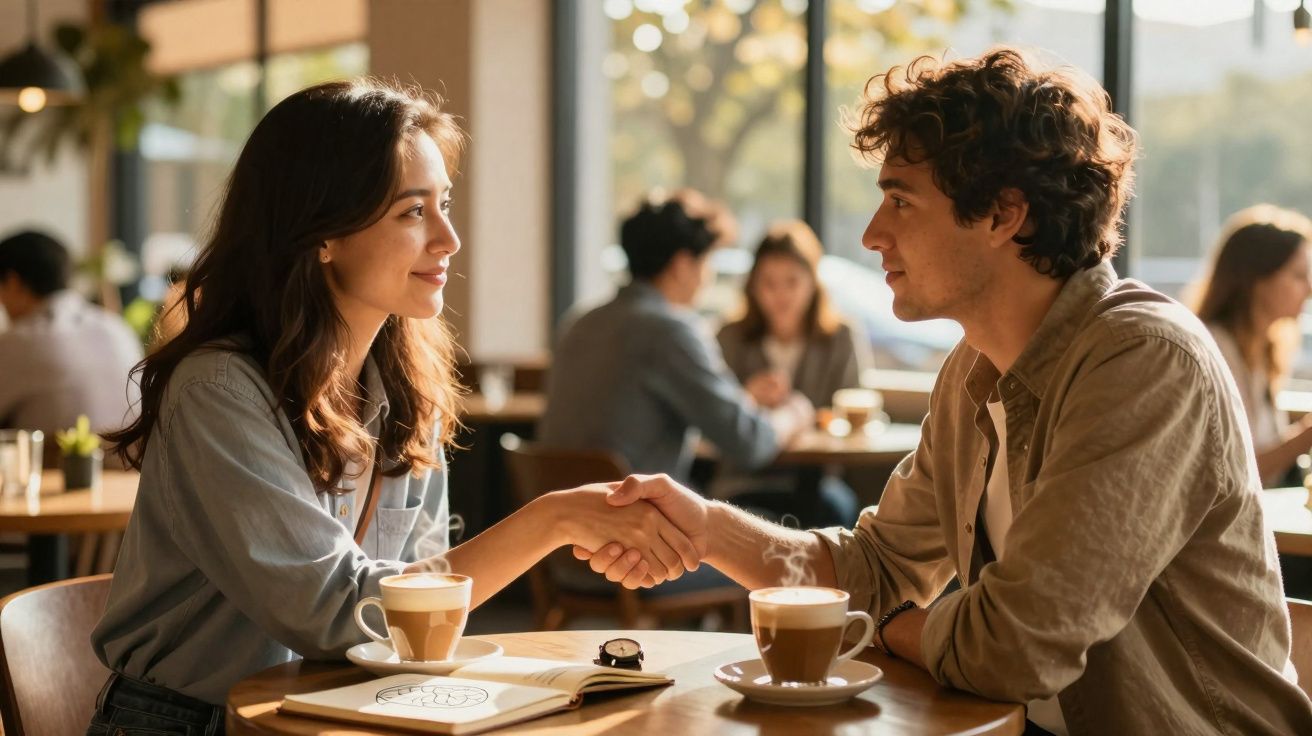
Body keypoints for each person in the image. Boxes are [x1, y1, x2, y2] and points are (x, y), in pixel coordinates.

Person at [580, 49, 1312, 733]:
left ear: (1003, 213)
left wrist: (884, 623)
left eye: (900, 201)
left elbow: (1015, 646)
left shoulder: (1143, 360)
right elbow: (871, 568)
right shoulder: (973, 370)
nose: (871, 234)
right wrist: (706, 528)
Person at [88, 79, 695, 735]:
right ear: (320, 232)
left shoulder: (403, 389)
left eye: (445, 205)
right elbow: (335, 613)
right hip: (193, 723)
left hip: (342, 708)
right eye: (412, 212)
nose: (449, 239)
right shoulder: (218, 391)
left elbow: (416, 620)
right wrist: (551, 521)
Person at [538, 191, 813, 483]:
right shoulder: (669, 332)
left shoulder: (578, 323)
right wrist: (795, 413)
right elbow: (749, 443)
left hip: (562, 518)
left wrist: (742, 399)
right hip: (634, 519)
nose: (709, 275)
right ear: (682, 265)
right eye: (708, 261)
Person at [713, 220, 872, 525]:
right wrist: (745, 398)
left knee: (836, 511)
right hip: (744, 481)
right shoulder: (730, 337)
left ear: (812, 283)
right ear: (752, 286)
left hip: (816, 481)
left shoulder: (841, 337)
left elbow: (855, 410)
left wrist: (807, 417)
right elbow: (711, 419)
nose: (780, 295)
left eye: (792, 282)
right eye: (768, 283)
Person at [1193, 205, 1312, 488]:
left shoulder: (1265, 349)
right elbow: (1233, 473)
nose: (1309, 288)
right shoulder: (1214, 351)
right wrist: (1306, 436)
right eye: (1298, 276)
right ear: (1257, 280)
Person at [0, 230, 142, 461]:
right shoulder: (116, 327)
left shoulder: (18, 342)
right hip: (132, 482)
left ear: (14, 282)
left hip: (56, 487)